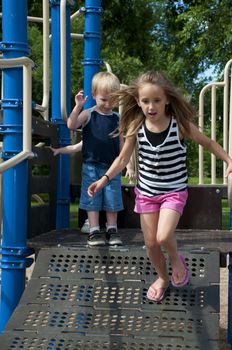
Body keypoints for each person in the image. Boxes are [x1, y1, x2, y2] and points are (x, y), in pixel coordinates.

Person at [87, 70, 232, 302]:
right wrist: (103, 180)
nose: (151, 106)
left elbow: (208, 142)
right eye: (145, 101)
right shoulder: (136, 127)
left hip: (173, 192)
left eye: (156, 100)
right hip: (146, 193)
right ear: (138, 101)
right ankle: (162, 277)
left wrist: (228, 160)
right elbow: (123, 159)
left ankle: (176, 259)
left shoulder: (179, 125)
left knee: (164, 237)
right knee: (151, 243)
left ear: (167, 100)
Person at [67, 71, 125, 247]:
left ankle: (112, 229)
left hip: (112, 167)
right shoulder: (88, 113)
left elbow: (122, 143)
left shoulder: (117, 118)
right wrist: (77, 106)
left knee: (112, 198)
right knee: (92, 198)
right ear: (93, 96)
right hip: (91, 165)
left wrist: (127, 164)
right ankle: (94, 230)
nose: (108, 104)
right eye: (103, 100)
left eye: (112, 100)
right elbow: (71, 124)